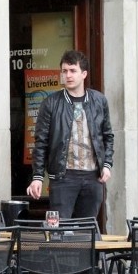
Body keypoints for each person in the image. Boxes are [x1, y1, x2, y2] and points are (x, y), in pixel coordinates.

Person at [26, 49, 114, 220]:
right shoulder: (50, 103)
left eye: (73, 70)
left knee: (87, 229)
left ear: (84, 74)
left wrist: (107, 165)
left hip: (93, 176)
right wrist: (37, 177)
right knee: (60, 229)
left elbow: (107, 135)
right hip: (63, 176)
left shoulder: (99, 101)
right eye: (64, 71)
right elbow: (41, 143)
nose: (68, 75)